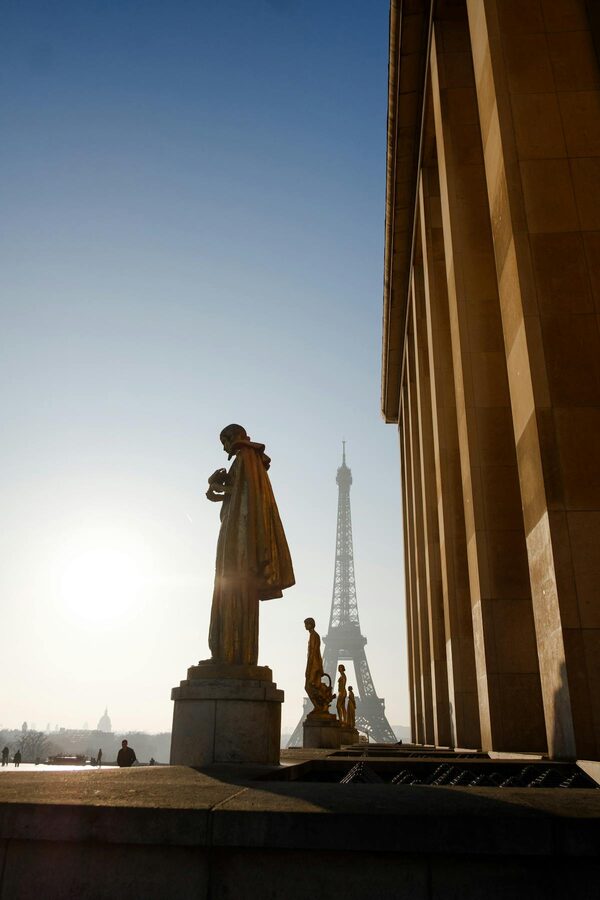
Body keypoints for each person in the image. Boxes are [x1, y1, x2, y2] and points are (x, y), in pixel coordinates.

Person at [205, 424, 295, 666]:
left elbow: (240, 492)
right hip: (238, 535)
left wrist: (216, 485)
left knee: (231, 590)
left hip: (238, 541)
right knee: (232, 590)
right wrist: (216, 490)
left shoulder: (245, 456)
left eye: (224, 442)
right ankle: (231, 653)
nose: (224, 447)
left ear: (232, 438)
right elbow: (243, 494)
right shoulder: (248, 459)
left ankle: (228, 654)